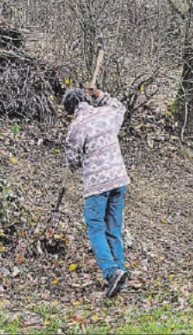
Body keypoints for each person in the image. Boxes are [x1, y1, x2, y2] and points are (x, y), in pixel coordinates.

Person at [62, 86, 130, 298]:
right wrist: (101, 95)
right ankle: (121, 274)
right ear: (88, 100)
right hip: (119, 179)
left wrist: (78, 159)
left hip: (96, 184)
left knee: (95, 227)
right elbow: (120, 107)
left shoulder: (76, 127)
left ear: (70, 109)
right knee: (113, 227)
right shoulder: (107, 113)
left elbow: (72, 161)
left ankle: (111, 273)